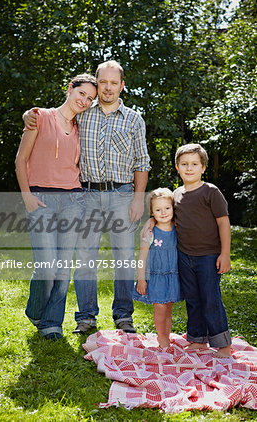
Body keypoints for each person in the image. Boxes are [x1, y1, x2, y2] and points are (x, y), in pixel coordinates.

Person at [23, 60, 151, 335]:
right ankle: (86, 316)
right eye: (102, 82)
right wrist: (28, 115)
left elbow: (142, 161)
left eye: (113, 83)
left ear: (121, 85)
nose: (107, 88)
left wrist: (139, 199)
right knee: (85, 260)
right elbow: (54, 118)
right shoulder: (83, 113)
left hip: (122, 194)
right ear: (97, 83)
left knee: (124, 258)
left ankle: (123, 315)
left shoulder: (133, 119)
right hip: (86, 195)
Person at [15, 74, 97, 340]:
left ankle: (52, 323)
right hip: (41, 200)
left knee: (63, 269)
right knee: (47, 266)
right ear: (69, 89)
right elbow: (21, 159)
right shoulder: (40, 116)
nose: (84, 101)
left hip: (73, 200)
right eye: (82, 93)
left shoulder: (81, 128)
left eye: (90, 99)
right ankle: (36, 310)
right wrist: (27, 196)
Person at [174, 143, 232, 357]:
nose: (189, 168)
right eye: (184, 164)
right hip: (184, 256)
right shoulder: (176, 194)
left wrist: (225, 254)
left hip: (208, 257)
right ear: (177, 168)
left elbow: (223, 223)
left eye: (194, 164)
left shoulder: (211, 192)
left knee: (210, 299)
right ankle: (198, 339)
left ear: (203, 168)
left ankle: (223, 344)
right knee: (193, 299)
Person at [132, 188, 181, 348]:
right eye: (158, 209)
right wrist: (141, 278)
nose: (164, 212)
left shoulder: (177, 228)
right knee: (160, 308)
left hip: (172, 275)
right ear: (152, 212)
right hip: (156, 276)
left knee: (168, 308)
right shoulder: (150, 231)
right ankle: (161, 337)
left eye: (167, 208)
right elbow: (142, 257)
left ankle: (166, 336)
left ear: (173, 208)